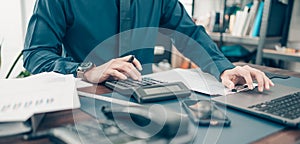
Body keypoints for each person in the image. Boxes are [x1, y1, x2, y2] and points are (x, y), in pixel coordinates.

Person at [23, 0, 273, 92]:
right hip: (81, 104)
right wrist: (86, 69)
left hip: (145, 102)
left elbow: (189, 33)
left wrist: (224, 69)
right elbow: (35, 53)